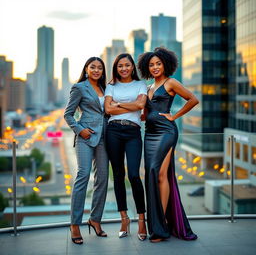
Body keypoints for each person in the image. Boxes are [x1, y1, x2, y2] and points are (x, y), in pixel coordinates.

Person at [138, 47, 199, 242]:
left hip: (166, 132)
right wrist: (142, 114)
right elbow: (146, 113)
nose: (155, 67)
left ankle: (161, 226)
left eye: (158, 63)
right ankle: (159, 222)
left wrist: (175, 116)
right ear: (147, 68)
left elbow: (193, 99)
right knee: (152, 176)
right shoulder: (148, 88)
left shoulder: (171, 82)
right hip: (149, 134)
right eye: (151, 65)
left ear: (165, 64)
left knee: (160, 173)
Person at [64, 57, 109, 245]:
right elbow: (68, 114)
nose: (96, 70)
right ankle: (75, 224)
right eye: (93, 67)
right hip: (85, 136)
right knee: (83, 176)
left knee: (103, 179)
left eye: (100, 67)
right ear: (87, 69)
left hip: (104, 137)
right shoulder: (79, 87)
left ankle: (95, 219)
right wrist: (79, 129)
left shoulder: (107, 89)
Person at [104, 53, 147, 241]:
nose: (123, 68)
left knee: (134, 175)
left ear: (132, 67)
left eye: (127, 65)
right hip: (113, 131)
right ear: (116, 68)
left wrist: (119, 103)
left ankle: (142, 220)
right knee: (118, 175)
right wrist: (131, 106)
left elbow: (141, 104)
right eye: (120, 65)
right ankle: (124, 218)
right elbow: (108, 110)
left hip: (133, 132)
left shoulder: (140, 84)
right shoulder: (111, 86)